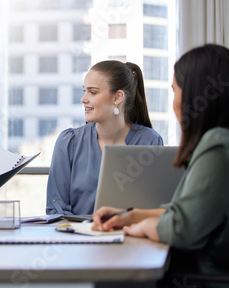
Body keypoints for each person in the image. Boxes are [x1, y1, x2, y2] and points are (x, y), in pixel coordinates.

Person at [92, 44, 229, 277]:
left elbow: (181, 227)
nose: (174, 102)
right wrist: (131, 216)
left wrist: (142, 226)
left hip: (205, 277)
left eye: (175, 91)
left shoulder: (217, 145)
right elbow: (183, 211)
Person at [46, 60, 163, 216]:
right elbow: (56, 210)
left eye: (92, 92)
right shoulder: (68, 142)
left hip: (131, 237)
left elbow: (154, 209)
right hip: (77, 238)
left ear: (117, 97)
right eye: (84, 91)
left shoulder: (149, 141)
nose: (83, 99)